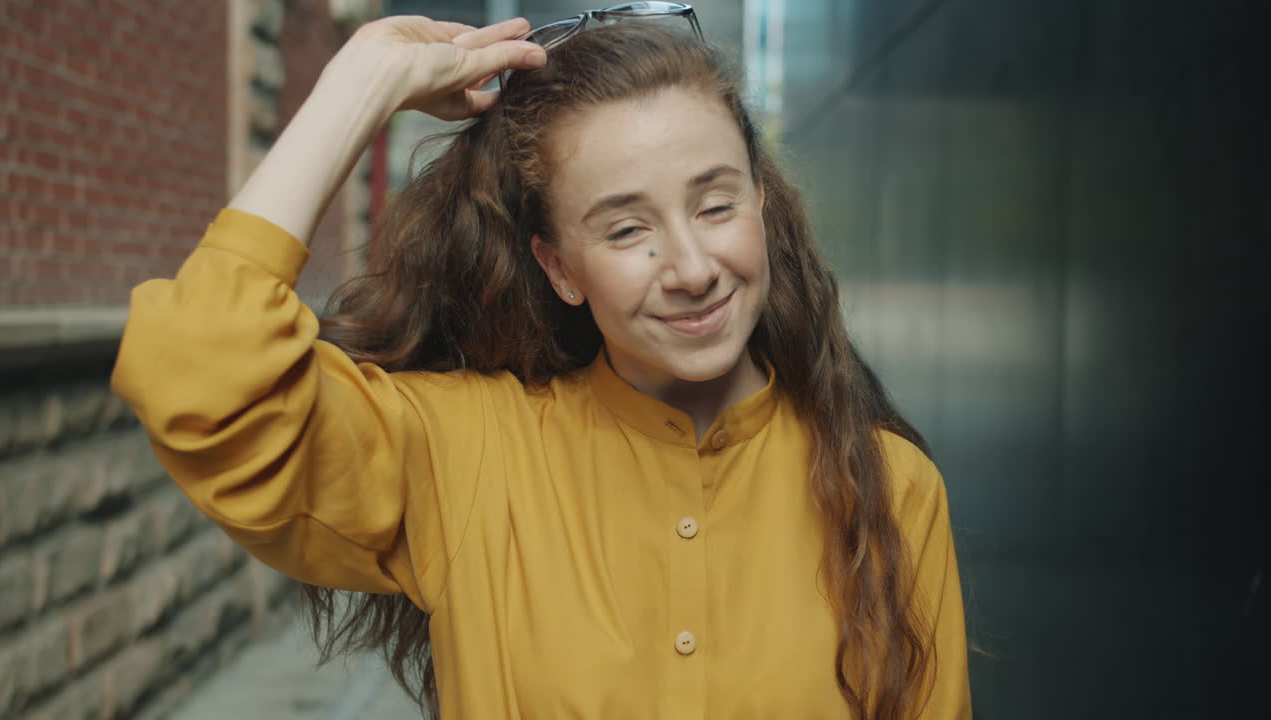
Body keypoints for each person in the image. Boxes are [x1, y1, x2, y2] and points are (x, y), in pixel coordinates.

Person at [111, 7, 971, 719]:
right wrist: (362, 81)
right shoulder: (465, 454)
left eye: (715, 204)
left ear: (760, 204)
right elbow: (201, 377)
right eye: (627, 228)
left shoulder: (892, 489)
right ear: (559, 267)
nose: (693, 267)